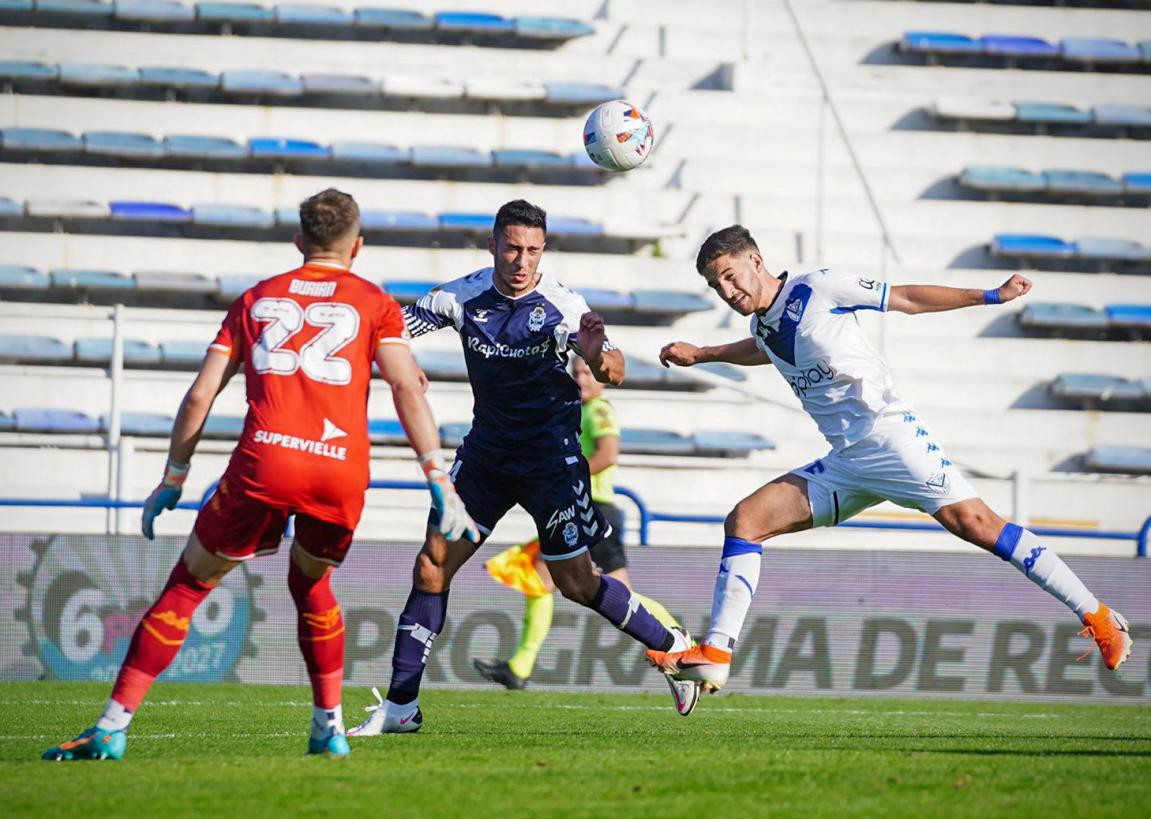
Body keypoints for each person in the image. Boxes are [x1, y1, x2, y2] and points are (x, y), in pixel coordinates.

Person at [42, 188, 476, 761]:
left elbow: (200, 395)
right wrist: (439, 480)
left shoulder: (257, 298)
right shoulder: (375, 302)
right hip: (338, 470)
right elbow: (407, 386)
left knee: (189, 586)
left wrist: (173, 477)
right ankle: (328, 727)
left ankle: (112, 726)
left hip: (264, 462)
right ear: (358, 246)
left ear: (299, 243)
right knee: (312, 584)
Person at [646, 225, 1134, 694]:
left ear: (756, 260)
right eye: (716, 285)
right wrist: (705, 353)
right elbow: (766, 348)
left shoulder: (820, 288)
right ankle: (716, 654)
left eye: (730, 275)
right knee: (746, 520)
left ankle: (1098, 616)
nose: (726, 291)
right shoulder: (763, 324)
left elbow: (906, 299)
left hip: (890, 439)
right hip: (846, 462)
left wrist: (989, 295)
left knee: (977, 524)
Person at [348, 200, 696, 736]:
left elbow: (616, 370)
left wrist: (597, 351)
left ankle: (672, 646)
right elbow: (393, 332)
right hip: (486, 457)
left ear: (543, 251)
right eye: (512, 247)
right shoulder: (459, 296)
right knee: (431, 566)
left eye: (533, 250)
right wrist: (393, 354)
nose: (522, 260)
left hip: (550, 462)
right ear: (493, 245)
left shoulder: (561, 306)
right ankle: (400, 707)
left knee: (576, 584)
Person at [473, 356, 689, 710]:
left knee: (617, 592)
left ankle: (679, 641)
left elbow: (608, 453)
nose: (581, 379)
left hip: (595, 507)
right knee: (541, 579)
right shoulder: (574, 409)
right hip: (576, 504)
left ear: (603, 379)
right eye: (576, 373)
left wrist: (566, 472)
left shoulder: (599, 410)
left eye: (588, 372)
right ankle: (519, 668)